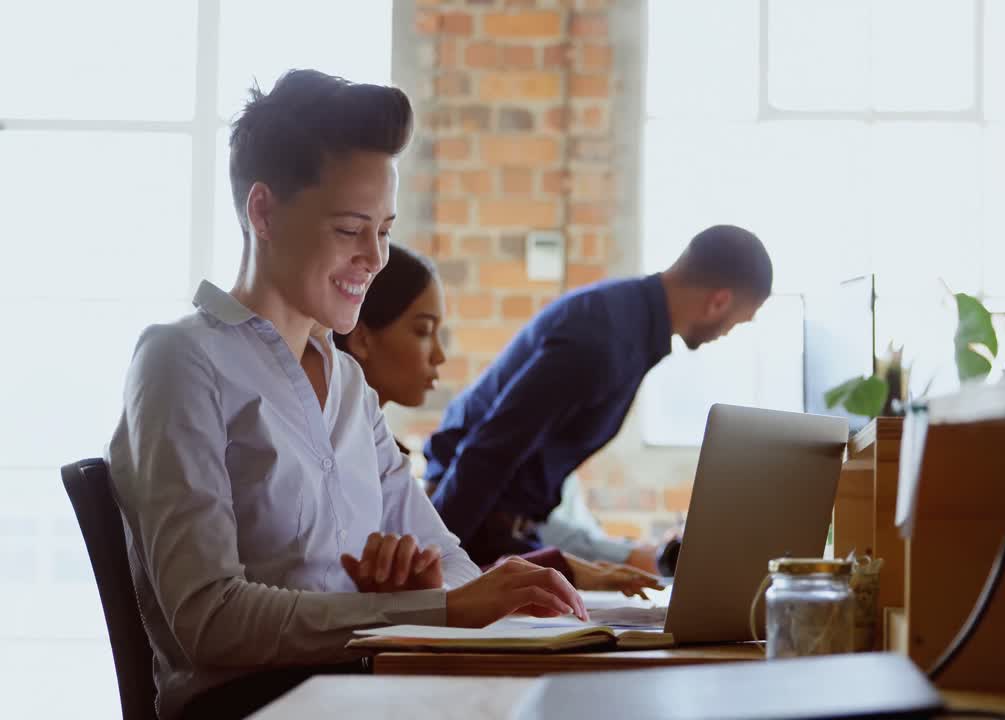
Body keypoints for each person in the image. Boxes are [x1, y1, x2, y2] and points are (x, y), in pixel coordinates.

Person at [105, 70, 585, 720]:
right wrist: (431, 608)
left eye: (383, 230)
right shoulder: (181, 360)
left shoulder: (349, 385)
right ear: (264, 212)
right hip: (253, 706)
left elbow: (443, 555)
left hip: (364, 687)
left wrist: (450, 592)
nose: (376, 257)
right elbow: (209, 619)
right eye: (350, 229)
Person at [427, 224, 773, 566]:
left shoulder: (629, 322)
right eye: (737, 323)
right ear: (719, 302)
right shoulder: (603, 338)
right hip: (471, 525)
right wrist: (432, 558)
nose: (727, 333)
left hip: (503, 527)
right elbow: (493, 448)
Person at [333, 243, 660, 596]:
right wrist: (558, 568)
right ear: (362, 338)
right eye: (424, 331)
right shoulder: (342, 460)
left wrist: (554, 566)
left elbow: (448, 575)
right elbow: (415, 596)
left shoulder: (386, 457)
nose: (440, 356)